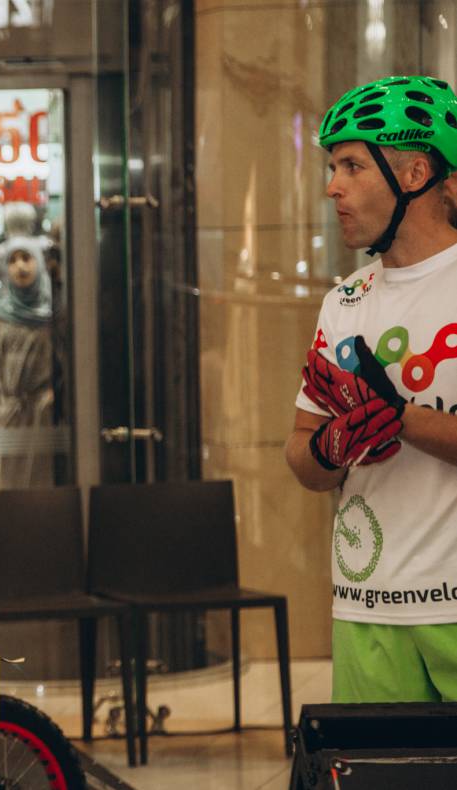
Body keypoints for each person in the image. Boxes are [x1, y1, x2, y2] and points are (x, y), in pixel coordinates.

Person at [285, 76, 457, 703]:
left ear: (415, 173)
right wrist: (331, 447)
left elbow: (400, 419)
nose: (333, 185)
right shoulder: (344, 301)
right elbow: (301, 454)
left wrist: (397, 417)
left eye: (353, 164)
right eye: (334, 166)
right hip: (367, 603)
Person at [0, 238, 55, 488]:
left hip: (45, 418)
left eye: (26, 258)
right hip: (9, 417)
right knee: (11, 492)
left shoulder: (53, 315)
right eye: (12, 260)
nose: (20, 266)